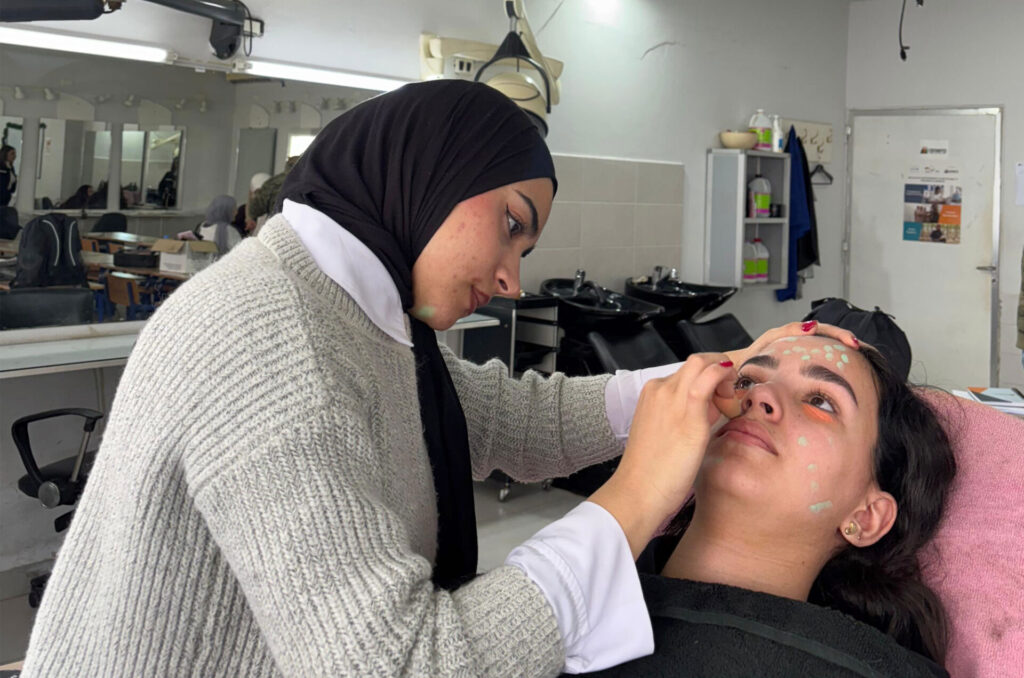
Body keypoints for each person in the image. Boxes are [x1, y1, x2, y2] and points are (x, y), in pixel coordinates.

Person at [21, 80, 855, 677]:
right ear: (429, 175)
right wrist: (632, 501)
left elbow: (503, 418)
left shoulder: (352, 314)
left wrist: (705, 380)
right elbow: (401, 664)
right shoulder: (273, 339)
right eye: (511, 225)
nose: (512, 280)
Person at [574, 337, 957, 678]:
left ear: (866, 517)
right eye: (746, 381)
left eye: (820, 401)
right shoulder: (572, 592)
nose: (757, 396)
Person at [247, 155, 299, 229]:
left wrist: (254, 195)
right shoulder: (313, 182)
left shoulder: (273, 183)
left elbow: (254, 210)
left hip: (279, 226)